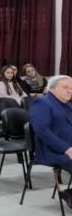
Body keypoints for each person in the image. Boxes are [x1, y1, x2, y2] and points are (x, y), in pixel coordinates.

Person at [29, 76, 72, 207]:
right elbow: (42, 131)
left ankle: (69, 193)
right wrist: (67, 149)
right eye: (66, 87)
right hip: (53, 150)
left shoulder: (68, 105)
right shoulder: (42, 102)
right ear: (52, 88)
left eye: (71, 88)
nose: (70, 91)